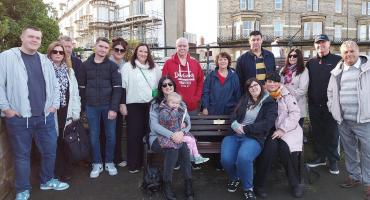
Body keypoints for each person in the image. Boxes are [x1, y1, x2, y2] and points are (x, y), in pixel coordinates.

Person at [0, 26, 69, 200]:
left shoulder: (44, 60)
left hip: (45, 117)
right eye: (31, 36)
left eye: (38, 38)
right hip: (19, 119)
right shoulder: (7, 57)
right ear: (22, 37)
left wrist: (53, 105)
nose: (34, 40)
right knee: (22, 156)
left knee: (50, 151)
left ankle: (47, 180)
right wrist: (6, 109)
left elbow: (54, 86)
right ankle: (22, 190)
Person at [220, 78, 278, 200]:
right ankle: (235, 177)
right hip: (234, 134)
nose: (253, 88)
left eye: (255, 85)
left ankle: (248, 188)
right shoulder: (244, 99)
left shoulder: (270, 102)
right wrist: (234, 123)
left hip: (253, 137)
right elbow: (234, 113)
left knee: (244, 158)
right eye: (250, 87)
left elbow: (267, 123)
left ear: (261, 86)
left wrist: (246, 129)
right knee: (226, 160)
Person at [327, 40, 370, 199]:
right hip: (344, 120)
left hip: (365, 120)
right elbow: (330, 93)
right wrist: (333, 110)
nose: (349, 54)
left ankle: (368, 183)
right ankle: (354, 176)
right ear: (342, 54)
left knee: (368, 153)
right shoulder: (337, 71)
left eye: (352, 51)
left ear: (358, 52)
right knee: (350, 151)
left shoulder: (367, 68)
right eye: (345, 52)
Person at [78, 37, 122, 178]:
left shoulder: (112, 66)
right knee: (93, 136)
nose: (103, 49)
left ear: (108, 50)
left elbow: (117, 89)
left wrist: (114, 108)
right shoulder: (85, 66)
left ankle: (109, 162)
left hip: (108, 106)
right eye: (101, 46)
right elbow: (82, 88)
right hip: (91, 107)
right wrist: (85, 107)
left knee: (111, 136)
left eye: (105, 47)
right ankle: (97, 163)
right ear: (95, 47)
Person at [255, 72, 304, 198]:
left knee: (286, 150)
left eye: (275, 81)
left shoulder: (286, 94)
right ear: (265, 83)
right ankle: (259, 185)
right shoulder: (260, 95)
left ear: (279, 83)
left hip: (285, 130)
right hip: (267, 131)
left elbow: (295, 113)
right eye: (269, 82)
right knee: (268, 151)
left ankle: (295, 184)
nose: (272, 84)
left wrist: (283, 129)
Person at [149, 76, 194, 200]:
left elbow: (188, 122)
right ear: (161, 88)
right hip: (157, 138)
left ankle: (188, 183)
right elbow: (154, 126)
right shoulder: (155, 104)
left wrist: (182, 132)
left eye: (170, 84)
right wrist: (172, 135)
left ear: (174, 87)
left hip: (179, 137)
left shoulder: (180, 103)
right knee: (173, 150)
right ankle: (167, 184)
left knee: (183, 148)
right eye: (164, 85)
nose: (168, 87)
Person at [120, 43, 162, 173]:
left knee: (150, 133)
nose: (143, 54)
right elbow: (123, 87)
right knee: (134, 134)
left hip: (150, 105)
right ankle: (134, 164)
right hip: (133, 105)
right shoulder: (128, 67)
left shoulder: (155, 68)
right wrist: (122, 104)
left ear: (148, 53)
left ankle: (149, 163)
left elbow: (159, 87)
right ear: (136, 53)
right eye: (140, 51)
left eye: (145, 51)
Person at [306, 34, 341, 174]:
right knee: (317, 132)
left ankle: (333, 161)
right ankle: (320, 157)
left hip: (331, 105)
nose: (321, 45)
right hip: (314, 105)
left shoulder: (338, 60)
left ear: (329, 44)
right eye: (318, 43)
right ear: (315, 46)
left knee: (332, 134)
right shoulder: (311, 62)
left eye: (323, 43)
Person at [47, 41, 81, 181]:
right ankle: (53, 172)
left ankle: (65, 170)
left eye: (61, 52)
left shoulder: (69, 70)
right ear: (50, 53)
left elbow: (75, 93)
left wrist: (76, 112)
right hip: (51, 112)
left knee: (66, 142)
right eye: (55, 51)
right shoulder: (44, 69)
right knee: (52, 143)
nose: (59, 54)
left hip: (66, 111)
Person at [158, 92, 209, 164]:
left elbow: (180, 120)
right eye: (173, 103)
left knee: (192, 140)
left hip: (177, 133)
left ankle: (195, 156)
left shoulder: (178, 110)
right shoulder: (164, 111)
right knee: (189, 140)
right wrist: (175, 112)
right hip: (169, 136)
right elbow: (168, 120)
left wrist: (183, 124)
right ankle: (192, 157)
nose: (175, 105)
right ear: (168, 102)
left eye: (177, 103)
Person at [162, 37, 204, 114]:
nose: (182, 48)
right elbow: (164, 83)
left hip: (192, 106)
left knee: (192, 125)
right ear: (176, 47)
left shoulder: (195, 63)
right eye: (179, 46)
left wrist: (196, 98)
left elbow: (200, 82)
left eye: (184, 46)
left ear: (188, 47)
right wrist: (169, 98)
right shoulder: (168, 63)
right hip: (174, 106)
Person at [109, 37, 128, 168]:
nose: (119, 52)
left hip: (120, 100)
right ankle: (107, 159)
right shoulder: (107, 63)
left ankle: (116, 157)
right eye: (117, 49)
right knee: (106, 132)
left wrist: (122, 102)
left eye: (122, 50)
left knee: (117, 131)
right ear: (112, 50)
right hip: (107, 101)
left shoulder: (125, 65)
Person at [280, 48, 309, 129]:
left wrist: (290, 100)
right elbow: (280, 85)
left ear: (299, 57)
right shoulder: (283, 70)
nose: (292, 58)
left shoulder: (303, 70)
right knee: (286, 128)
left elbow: (303, 90)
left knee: (297, 128)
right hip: (284, 104)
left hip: (297, 104)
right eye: (290, 55)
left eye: (295, 56)